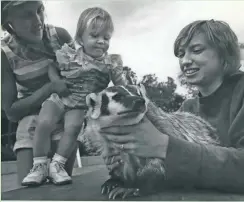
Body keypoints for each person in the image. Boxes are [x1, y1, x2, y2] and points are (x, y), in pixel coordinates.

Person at [101, 20, 244, 193]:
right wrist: (130, 165)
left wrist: (165, 147)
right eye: (181, 54)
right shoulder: (188, 108)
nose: (185, 61)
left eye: (196, 50)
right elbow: (179, 170)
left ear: (225, 54)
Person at [21, 7, 128, 186]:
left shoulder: (111, 62)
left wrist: (123, 85)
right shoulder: (70, 54)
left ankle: (57, 165)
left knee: (73, 128)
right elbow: (52, 67)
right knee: (44, 122)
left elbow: (120, 85)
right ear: (81, 38)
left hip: (80, 104)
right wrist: (56, 82)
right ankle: (39, 165)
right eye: (95, 36)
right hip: (60, 96)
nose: (101, 41)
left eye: (106, 37)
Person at [1, 1, 77, 186]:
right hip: (30, 123)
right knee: (30, 192)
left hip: (63, 120)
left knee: (62, 190)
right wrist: (50, 88)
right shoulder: (5, 53)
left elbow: (80, 80)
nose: (38, 21)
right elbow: (10, 111)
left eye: (39, 10)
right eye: (26, 15)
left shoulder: (59, 36)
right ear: (7, 22)